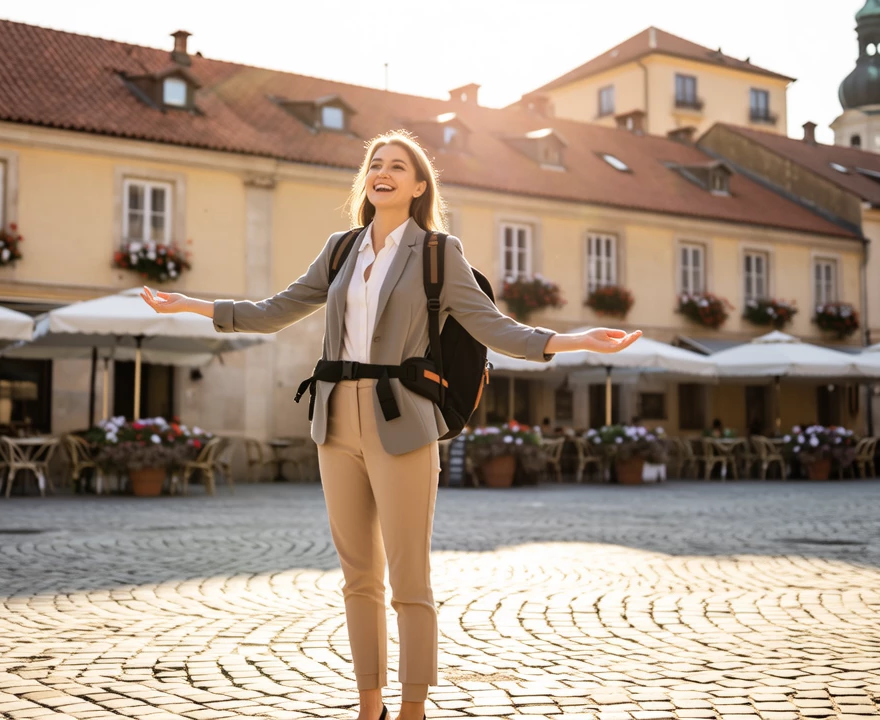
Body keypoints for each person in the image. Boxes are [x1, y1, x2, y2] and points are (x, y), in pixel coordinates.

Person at [140, 131, 640, 720]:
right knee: (358, 576)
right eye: (375, 164)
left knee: (409, 575)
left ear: (418, 185)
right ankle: (369, 702)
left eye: (398, 166)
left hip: (402, 419)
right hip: (333, 419)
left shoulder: (436, 252)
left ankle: (412, 707)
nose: (383, 172)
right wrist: (196, 305)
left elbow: (492, 327)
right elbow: (275, 311)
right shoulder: (340, 250)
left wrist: (570, 340)